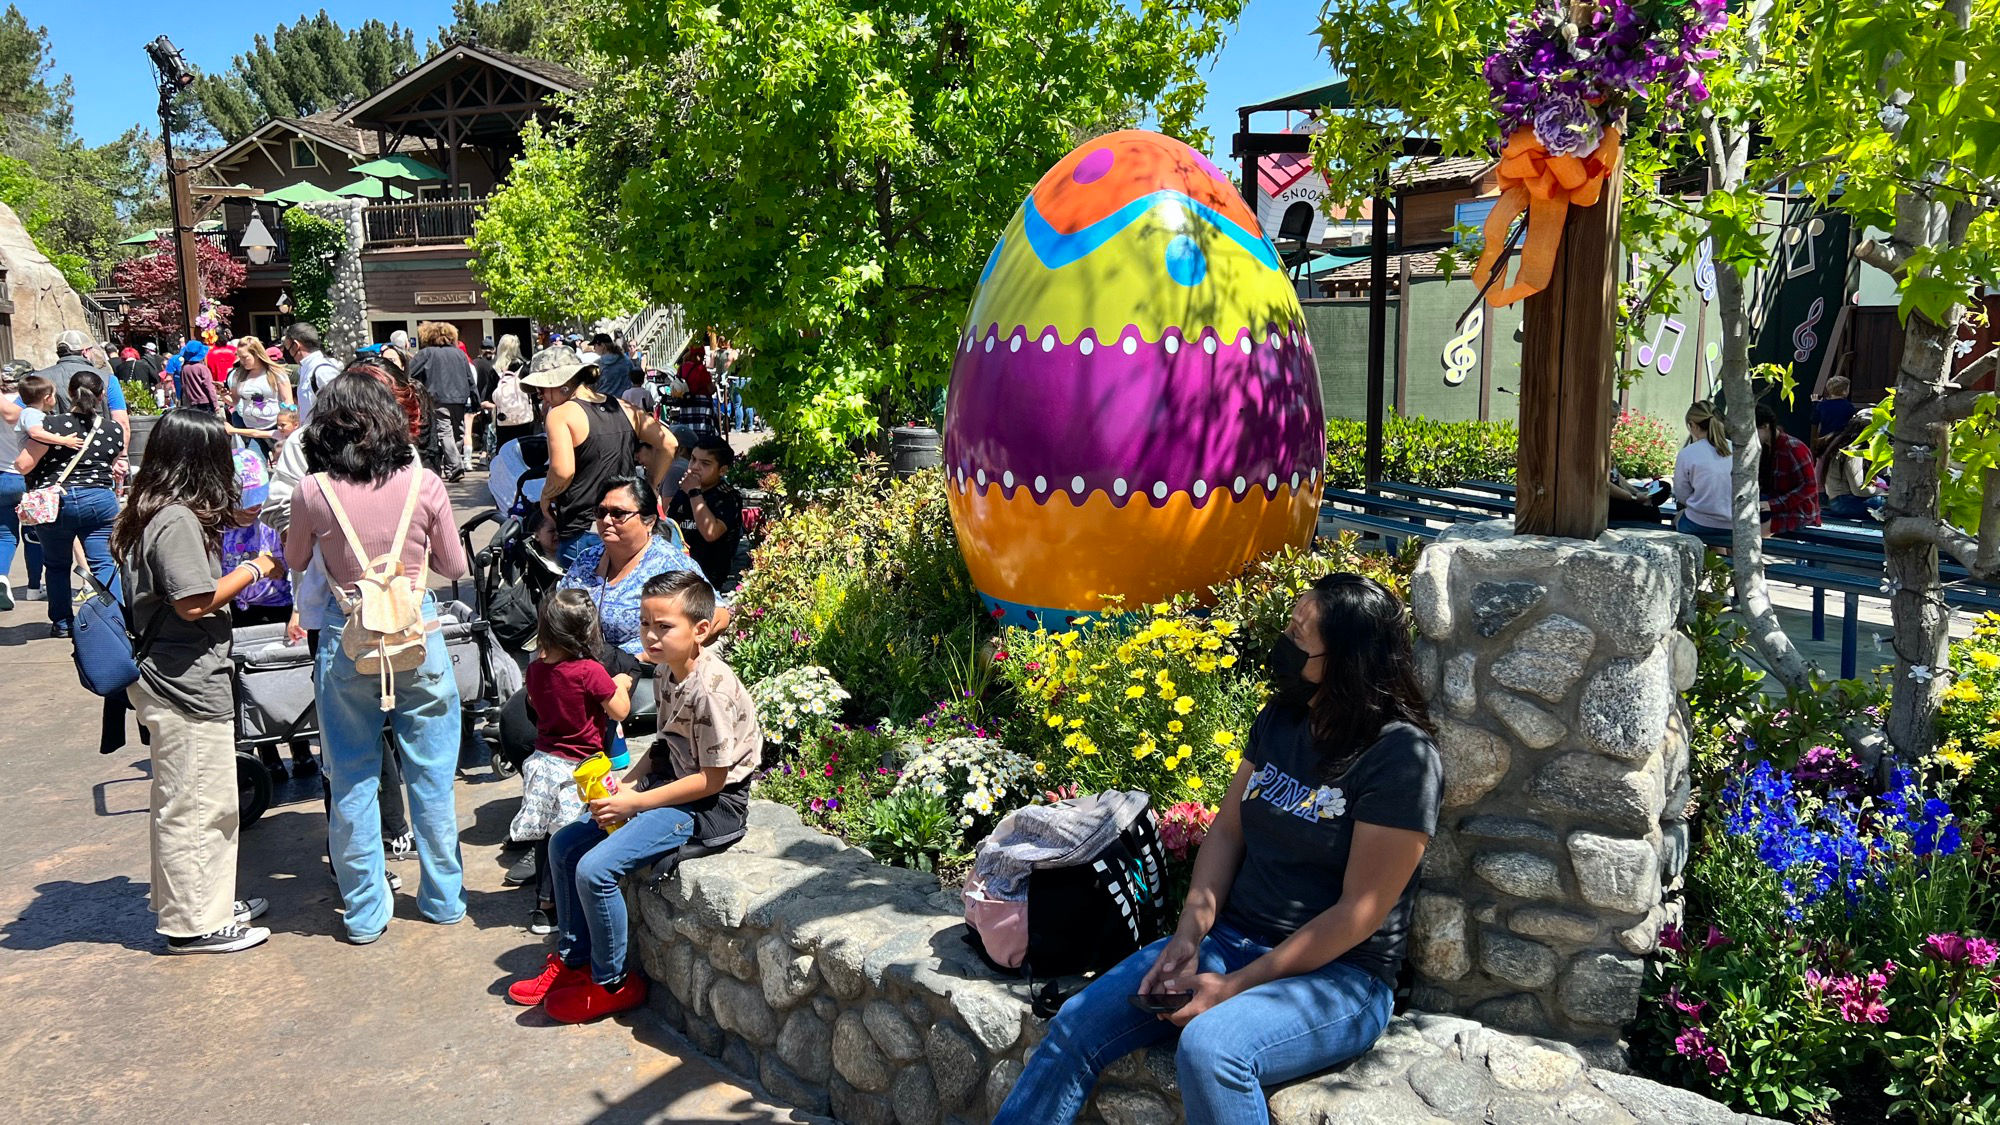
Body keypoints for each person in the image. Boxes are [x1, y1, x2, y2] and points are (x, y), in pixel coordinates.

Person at [993, 575, 1439, 1125]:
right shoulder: (1283, 718)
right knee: (1076, 1024)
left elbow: (1360, 913)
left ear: (1346, 661)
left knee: (1212, 1051)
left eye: (1299, 637)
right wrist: (1188, 936)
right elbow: (1227, 832)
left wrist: (1234, 988)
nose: (1284, 642)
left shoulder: (1399, 758)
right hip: (1231, 940)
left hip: (1341, 977)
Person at [505, 570, 760, 1023]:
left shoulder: (710, 689)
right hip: (671, 786)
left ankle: (613, 981)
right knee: (565, 845)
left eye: (664, 626)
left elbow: (713, 780)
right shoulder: (665, 672)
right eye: (646, 623)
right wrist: (629, 785)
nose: (651, 634)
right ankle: (574, 956)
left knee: (596, 869)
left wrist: (636, 804)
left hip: (709, 808)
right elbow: (665, 744)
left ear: (701, 629)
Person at [284, 372, 469, 944]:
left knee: (353, 776)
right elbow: (455, 566)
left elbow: (295, 557)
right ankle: (442, 897)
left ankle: (366, 909)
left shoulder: (313, 491)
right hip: (417, 636)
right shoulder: (426, 483)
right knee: (433, 777)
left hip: (348, 639)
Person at [112, 408, 283, 954]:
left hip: (169, 675)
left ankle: (199, 901)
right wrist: (257, 568)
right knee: (197, 805)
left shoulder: (151, 511)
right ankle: (194, 925)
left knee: (194, 799)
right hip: (181, 681)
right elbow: (192, 601)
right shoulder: (177, 521)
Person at [515, 588, 634, 934]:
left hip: (543, 762)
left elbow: (537, 706)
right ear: (587, 631)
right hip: (580, 768)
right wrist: (621, 683)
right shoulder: (589, 671)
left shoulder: (535, 669)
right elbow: (620, 710)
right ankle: (571, 905)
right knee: (572, 837)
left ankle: (543, 906)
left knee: (546, 836)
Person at [525, 350, 675, 567]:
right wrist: (651, 485)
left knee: (584, 598)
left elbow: (562, 471)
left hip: (584, 530)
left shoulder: (560, 414)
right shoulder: (623, 407)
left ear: (561, 383)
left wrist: (546, 496)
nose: (543, 397)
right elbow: (669, 443)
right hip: (629, 526)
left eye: (542, 390)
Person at [14, 369, 124, 637]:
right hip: (99, 499)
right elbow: (110, 463)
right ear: (100, 397)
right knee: (104, 562)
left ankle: (63, 623)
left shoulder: (51, 426)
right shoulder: (113, 429)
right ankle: (115, 618)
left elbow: (24, 465)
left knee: (56, 565)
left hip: (55, 503)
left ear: (69, 394)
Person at [559, 475, 715, 656]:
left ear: (649, 521)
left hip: (638, 674)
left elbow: (718, 615)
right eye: (601, 513)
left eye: (619, 514)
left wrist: (651, 656)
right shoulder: (587, 559)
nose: (607, 521)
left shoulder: (670, 564)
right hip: (578, 666)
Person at [0, 369, 54, 607]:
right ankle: (34, 586)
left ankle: (2, 578)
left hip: (2, 475)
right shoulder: (31, 412)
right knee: (33, 534)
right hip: (27, 477)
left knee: (4, 534)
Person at [35, 330, 130, 456]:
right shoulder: (108, 379)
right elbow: (122, 421)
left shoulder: (37, 379)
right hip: (101, 453)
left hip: (53, 456)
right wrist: (122, 457)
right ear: (85, 352)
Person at [668, 435, 745, 589]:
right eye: (693, 459)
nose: (695, 467)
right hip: (679, 573)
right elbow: (670, 525)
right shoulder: (685, 490)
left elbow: (711, 532)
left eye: (705, 463)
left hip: (710, 579)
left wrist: (694, 493)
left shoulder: (727, 497)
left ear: (722, 470)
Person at [407, 322, 477, 479]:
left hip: (437, 398)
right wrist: (475, 399)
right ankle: (453, 467)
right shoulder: (459, 354)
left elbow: (409, 373)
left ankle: (454, 465)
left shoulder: (426, 354)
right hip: (459, 398)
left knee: (445, 431)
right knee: (457, 432)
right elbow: (469, 378)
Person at [1756, 401, 1820, 537]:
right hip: (1774, 503)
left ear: (1765, 426)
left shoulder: (1794, 448)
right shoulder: (1765, 448)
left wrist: (1772, 504)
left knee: (1751, 534)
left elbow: (1810, 486)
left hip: (1799, 511)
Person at [1672, 400, 1733, 535]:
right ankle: (1721, 553)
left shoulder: (1688, 453)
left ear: (1693, 425)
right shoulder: (1736, 450)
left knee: (1679, 518)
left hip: (1699, 523)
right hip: (1733, 523)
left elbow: (1682, 494)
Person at [225, 335, 292, 453]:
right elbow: (234, 401)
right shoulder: (238, 374)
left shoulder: (275, 373)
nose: (242, 361)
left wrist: (287, 426)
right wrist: (222, 395)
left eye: (245, 357)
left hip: (275, 427)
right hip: (251, 429)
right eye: (239, 357)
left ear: (256, 354)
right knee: (255, 466)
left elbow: (288, 401)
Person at [1818, 409, 1885, 521]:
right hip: (1845, 503)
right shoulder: (1854, 452)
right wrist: (1884, 491)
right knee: (1892, 504)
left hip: (1838, 501)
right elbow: (1858, 490)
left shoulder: (1840, 444)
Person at [488, 334, 536, 451]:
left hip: (503, 420)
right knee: (526, 450)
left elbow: (489, 399)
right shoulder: (526, 368)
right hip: (525, 418)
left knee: (506, 453)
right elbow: (534, 394)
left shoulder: (495, 370)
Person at [286, 323, 340, 424]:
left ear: (296, 345)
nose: (287, 353)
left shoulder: (322, 371)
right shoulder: (306, 369)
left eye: (287, 348)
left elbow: (338, 408)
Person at [1809, 375, 1859, 455]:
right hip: (1842, 440)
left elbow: (1814, 419)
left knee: (1821, 459)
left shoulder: (1822, 405)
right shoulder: (1848, 406)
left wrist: (1815, 403)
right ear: (1844, 391)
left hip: (1824, 439)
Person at [173, 341, 220, 414]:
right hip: (205, 403)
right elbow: (209, 387)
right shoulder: (202, 368)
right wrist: (215, 404)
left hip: (191, 404)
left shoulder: (184, 369)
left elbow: (184, 386)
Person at [590, 332, 636, 401]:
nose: (594, 349)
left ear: (602, 346)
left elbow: (591, 387)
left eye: (595, 346)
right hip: (624, 403)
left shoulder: (597, 365)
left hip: (603, 403)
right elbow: (634, 381)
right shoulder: (627, 361)